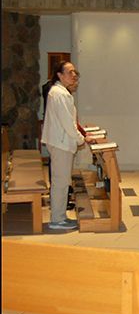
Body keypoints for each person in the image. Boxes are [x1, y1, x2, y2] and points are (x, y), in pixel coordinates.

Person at [41, 61, 92, 230]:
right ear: (59, 75)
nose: (74, 75)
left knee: (62, 181)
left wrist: (79, 137)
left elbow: (69, 122)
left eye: (75, 72)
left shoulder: (61, 92)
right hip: (60, 143)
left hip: (61, 142)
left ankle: (60, 216)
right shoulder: (59, 94)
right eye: (70, 72)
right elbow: (67, 124)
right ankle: (57, 220)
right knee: (60, 182)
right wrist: (81, 139)